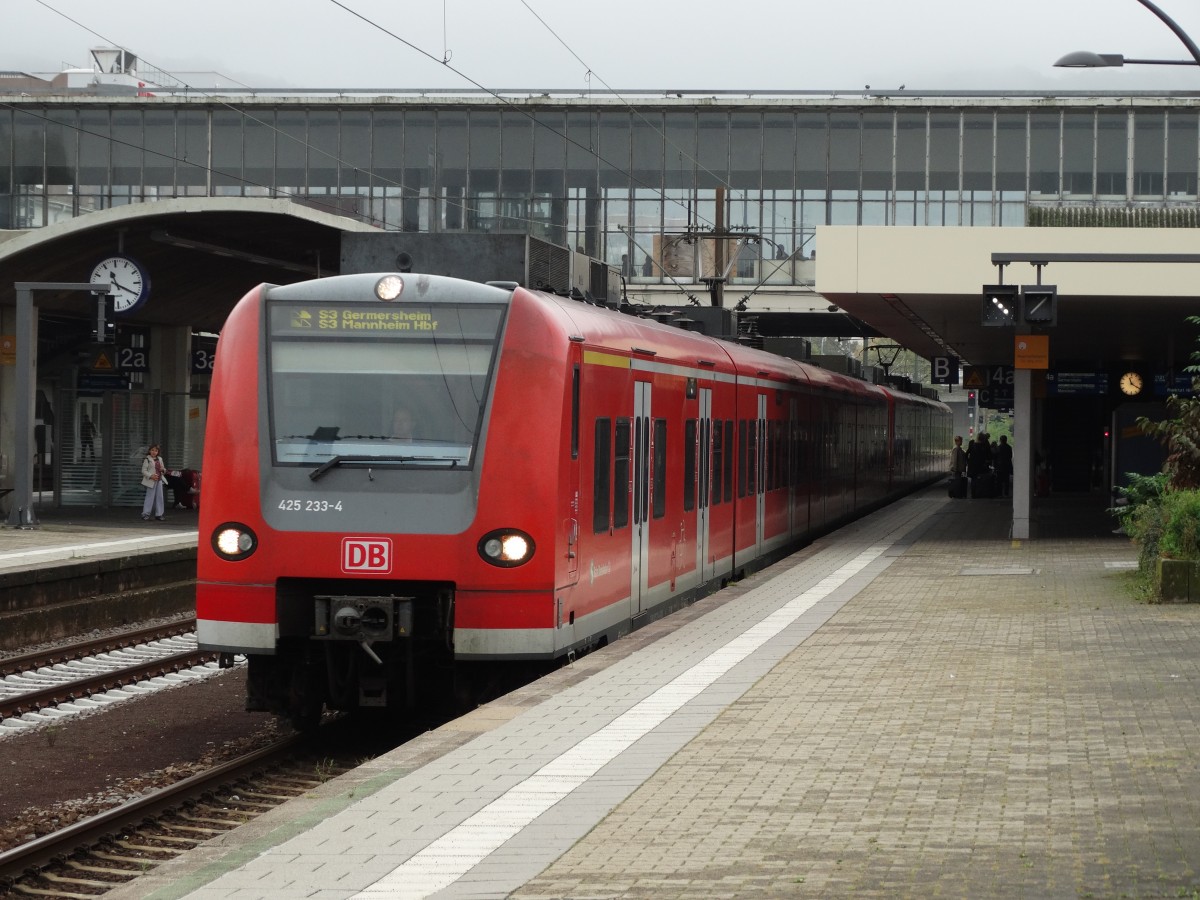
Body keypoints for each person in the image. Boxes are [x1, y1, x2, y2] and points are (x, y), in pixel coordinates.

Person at [140, 444, 167, 521]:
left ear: (158, 452)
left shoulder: (160, 459)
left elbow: (163, 469)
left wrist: (163, 470)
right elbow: (143, 471)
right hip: (151, 480)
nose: (154, 452)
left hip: (159, 480)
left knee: (160, 497)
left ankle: (159, 514)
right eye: (152, 450)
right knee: (150, 497)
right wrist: (151, 476)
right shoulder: (147, 459)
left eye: (156, 450)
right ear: (149, 451)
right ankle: (145, 514)